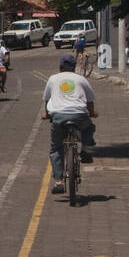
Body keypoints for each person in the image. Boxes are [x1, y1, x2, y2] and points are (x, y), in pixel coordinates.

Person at [42, 54, 98, 194]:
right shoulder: (80, 79)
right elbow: (90, 100)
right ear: (74, 67)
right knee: (89, 128)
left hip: (59, 117)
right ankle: (85, 150)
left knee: (56, 148)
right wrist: (91, 112)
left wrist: (46, 113)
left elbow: (46, 99)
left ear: (60, 67)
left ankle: (59, 180)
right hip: (79, 115)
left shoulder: (53, 79)